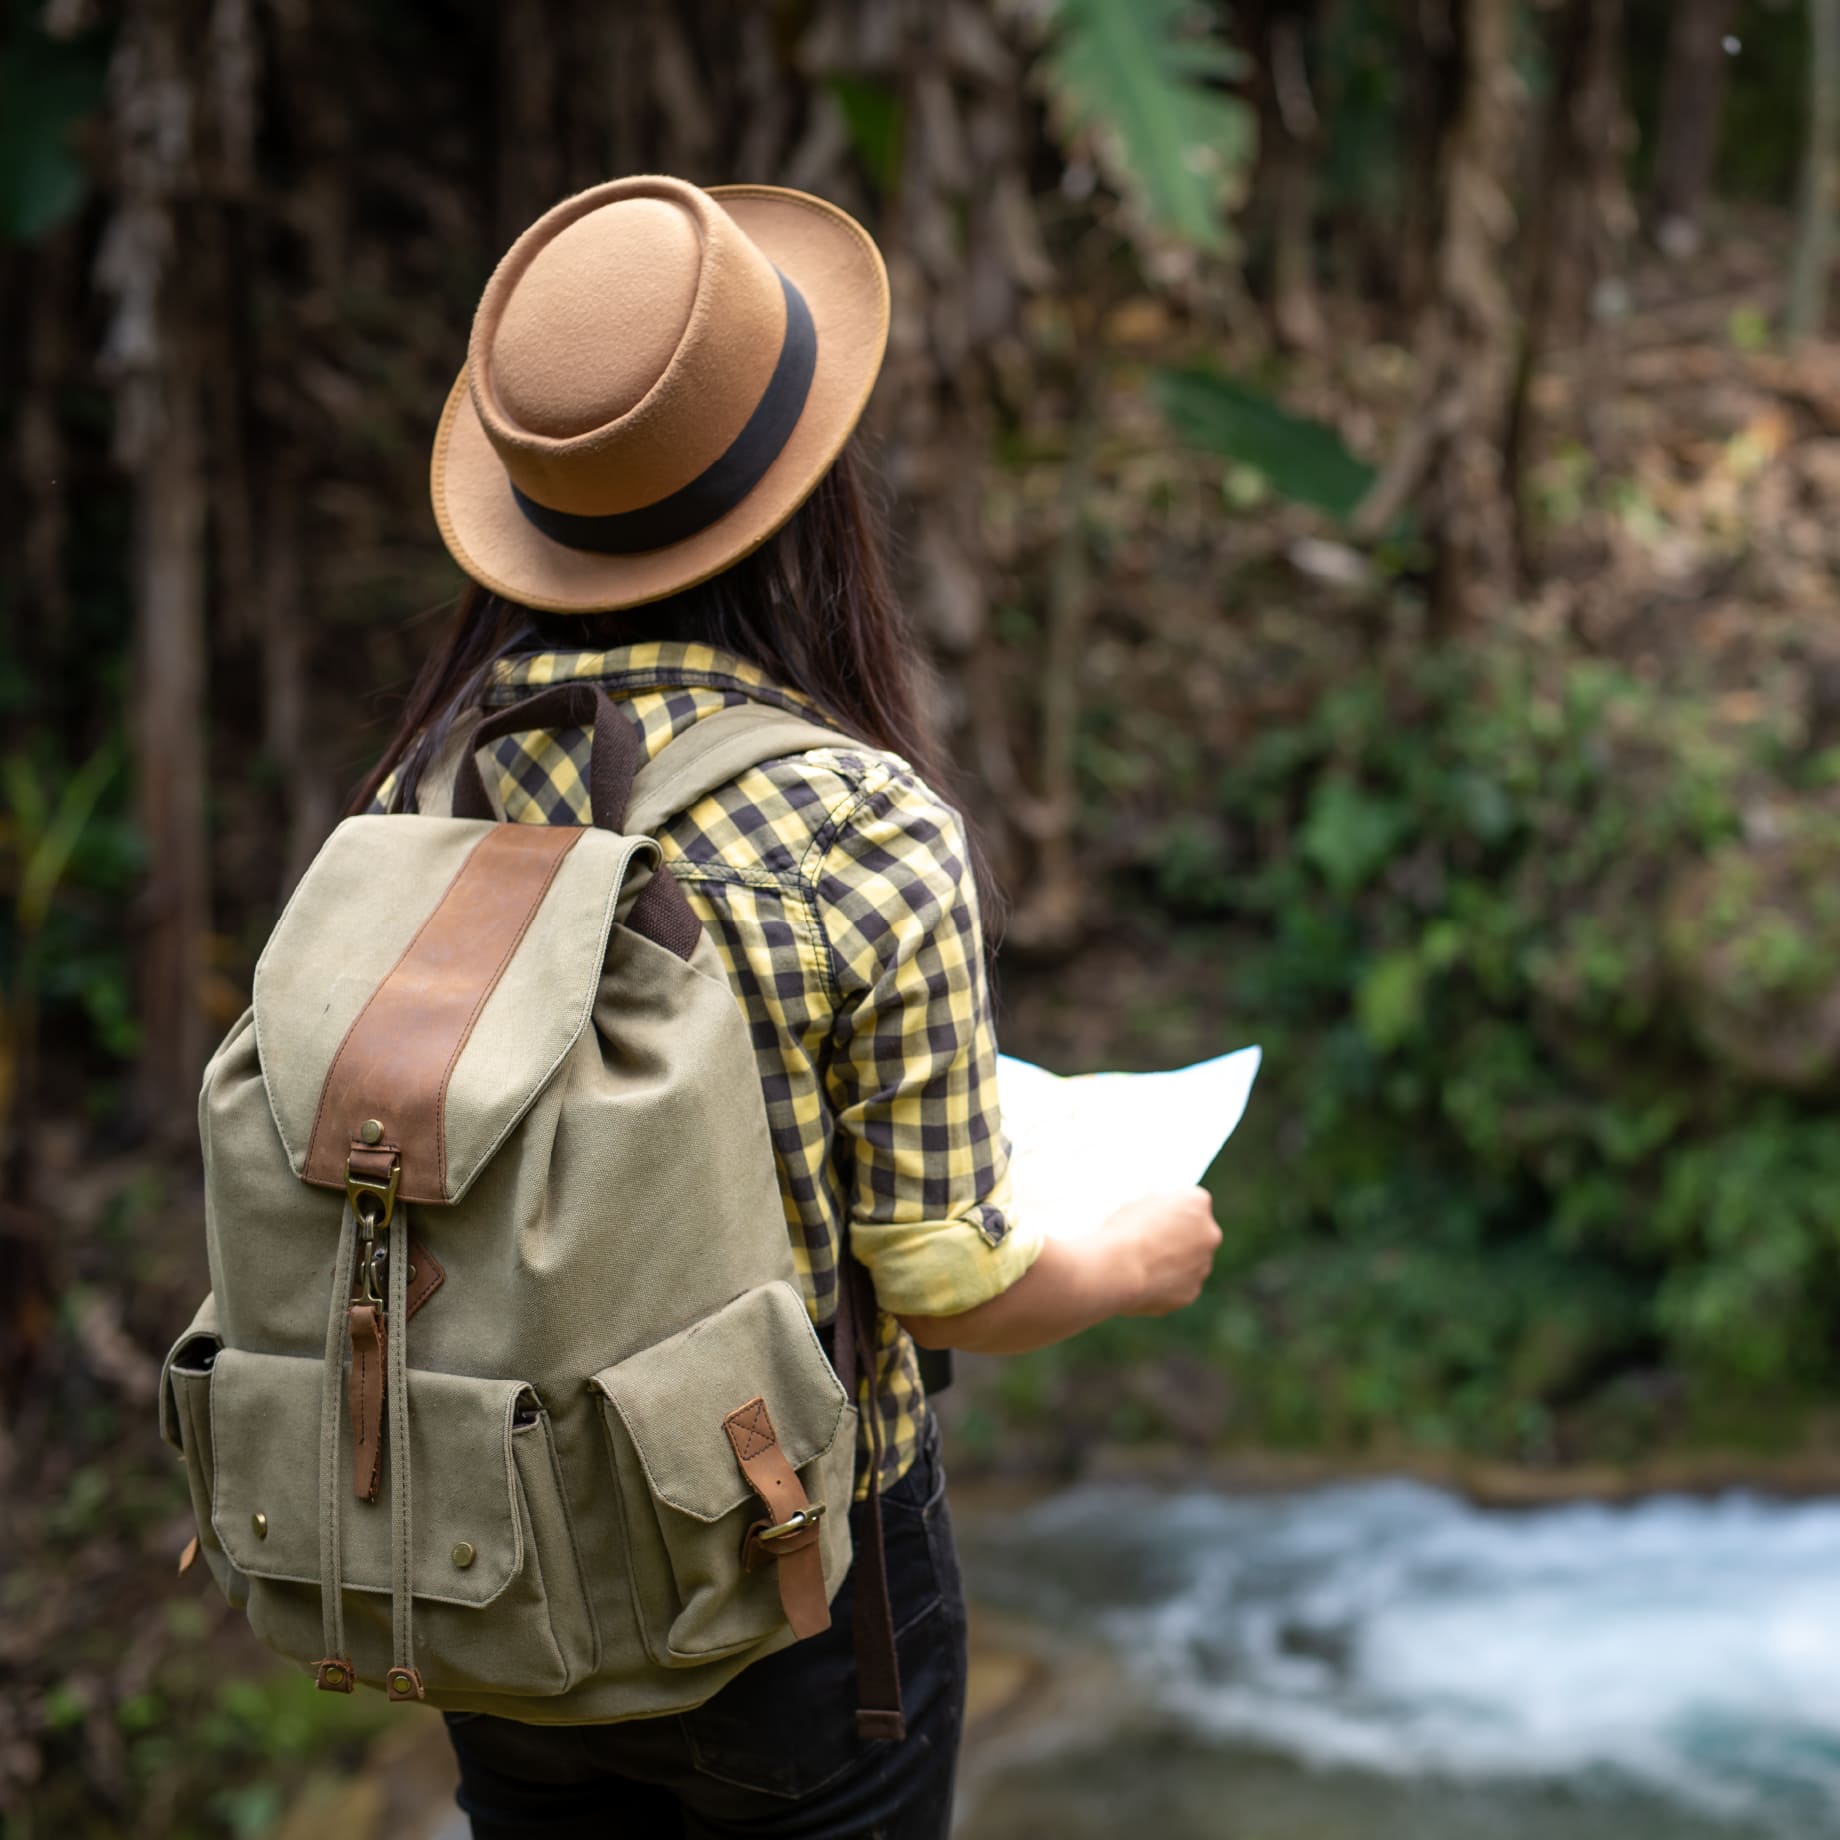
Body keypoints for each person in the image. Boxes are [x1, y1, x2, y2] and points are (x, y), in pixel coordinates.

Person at [356, 173, 1222, 1840]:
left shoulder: (421, 790)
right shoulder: (857, 823)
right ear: (813, 501)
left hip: (483, 1568)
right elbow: (945, 1282)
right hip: (799, 1592)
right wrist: (1128, 1264)